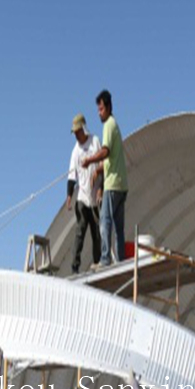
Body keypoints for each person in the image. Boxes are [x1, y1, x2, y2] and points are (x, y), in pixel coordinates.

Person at [81, 89, 128, 266]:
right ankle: (122, 260)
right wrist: (98, 170)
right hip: (122, 185)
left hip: (113, 184)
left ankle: (105, 258)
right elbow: (111, 158)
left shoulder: (108, 124)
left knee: (105, 221)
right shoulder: (115, 125)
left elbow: (105, 151)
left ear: (108, 107)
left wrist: (89, 160)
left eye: (101, 109)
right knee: (119, 227)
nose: (99, 113)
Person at [66, 113, 103, 273]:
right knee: (80, 230)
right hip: (82, 196)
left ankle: (97, 262)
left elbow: (103, 164)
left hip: (95, 196)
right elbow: (71, 176)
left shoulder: (95, 141)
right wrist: (69, 196)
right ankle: (75, 266)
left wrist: (100, 185)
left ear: (83, 129)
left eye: (78, 132)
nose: (76, 135)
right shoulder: (75, 151)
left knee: (96, 232)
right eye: (74, 133)